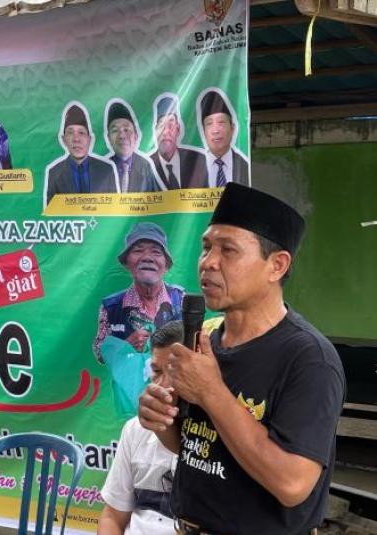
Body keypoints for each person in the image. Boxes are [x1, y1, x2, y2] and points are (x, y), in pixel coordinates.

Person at [138, 183, 345, 535]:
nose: (208, 262)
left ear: (276, 265)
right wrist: (161, 420)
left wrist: (212, 393)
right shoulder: (206, 340)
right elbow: (195, 446)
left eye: (228, 250)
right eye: (206, 247)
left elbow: (292, 485)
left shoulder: (309, 358)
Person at [93, 222, 184, 424]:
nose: (147, 257)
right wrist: (126, 345)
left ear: (166, 265)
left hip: (175, 405)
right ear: (127, 262)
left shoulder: (182, 301)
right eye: (138, 250)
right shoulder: (111, 306)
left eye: (156, 252)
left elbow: (196, 349)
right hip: (130, 409)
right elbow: (99, 352)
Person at [98, 321, 182, 535]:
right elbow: (112, 517)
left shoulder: (218, 435)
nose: (163, 385)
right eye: (156, 371)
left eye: (174, 372)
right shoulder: (135, 429)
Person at [45, 103, 118, 206]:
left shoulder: (106, 169)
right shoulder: (54, 173)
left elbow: (114, 209)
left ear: (90, 139)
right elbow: (51, 212)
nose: (76, 139)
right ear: (64, 140)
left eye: (81, 133)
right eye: (70, 132)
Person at [148, 96, 206, 190]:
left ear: (178, 129)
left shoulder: (198, 161)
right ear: (155, 131)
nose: (165, 132)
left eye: (170, 125)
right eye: (161, 126)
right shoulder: (145, 167)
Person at [104, 100, 162, 193]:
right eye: (115, 130)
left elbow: (158, 199)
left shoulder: (146, 167)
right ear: (108, 138)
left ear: (136, 136)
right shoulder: (102, 168)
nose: (122, 136)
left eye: (126, 130)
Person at [198, 89, 249, 187]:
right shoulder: (192, 168)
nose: (215, 131)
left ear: (232, 128)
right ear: (204, 132)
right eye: (209, 123)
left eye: (221, 122)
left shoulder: (245, 166)